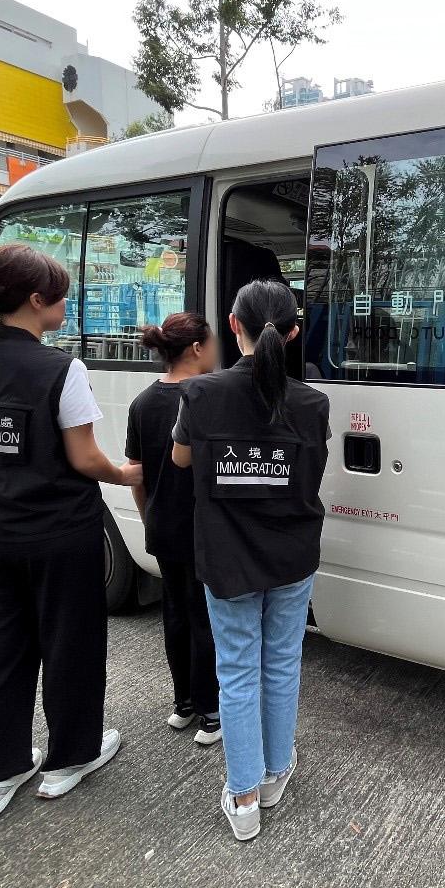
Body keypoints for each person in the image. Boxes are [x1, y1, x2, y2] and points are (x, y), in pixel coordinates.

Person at [0, 243, 141, 822]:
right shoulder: (60, 369)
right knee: (69, 642)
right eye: (59, 298)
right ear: (35, 301)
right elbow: (85, 459)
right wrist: (124, 473)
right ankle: (70, 758)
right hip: (59, 534)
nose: (64, 307)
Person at [170, 279, 330, 842]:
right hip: (292, 554)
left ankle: (242, 799)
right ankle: (274, 773)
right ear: (292, 333)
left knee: (236, 669)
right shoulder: (313, 403)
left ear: (232, 326)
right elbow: (311, 474)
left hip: (228, 557)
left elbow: (182, 459)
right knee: (282, 662)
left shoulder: (201, 395)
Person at [125, 312, 221, 746]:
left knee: (175, 614)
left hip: (162, 525)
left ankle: (183, 704)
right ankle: (211, 712)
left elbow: (136, 474)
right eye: (213, 340)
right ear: (197, 348)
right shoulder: (206, 397)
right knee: (206, 618)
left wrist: (150, 517)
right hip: (201, 527)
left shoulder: (143, 402)